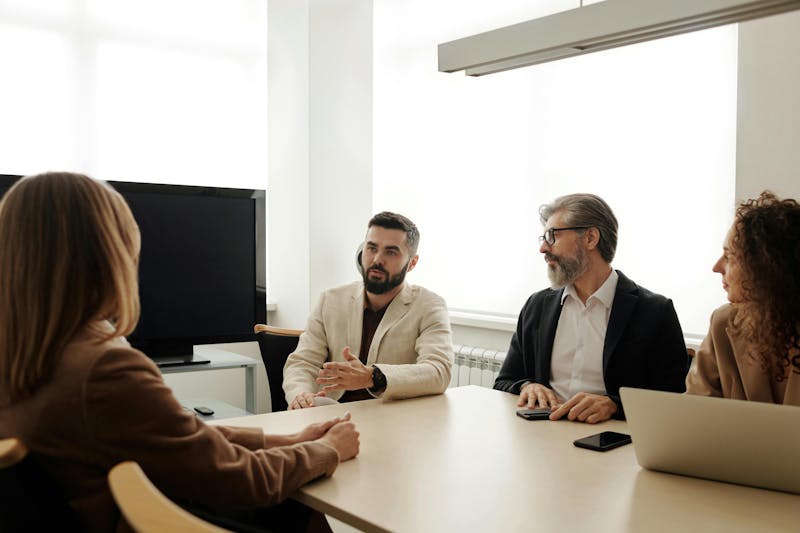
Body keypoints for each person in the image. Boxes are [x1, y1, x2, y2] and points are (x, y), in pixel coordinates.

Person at [0, 172, 360, 533]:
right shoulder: (104, 370)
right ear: (108, 254)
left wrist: (288, 439)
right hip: (149, 521)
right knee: (301, 502)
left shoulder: (27, 356)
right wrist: (327, 450)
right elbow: (238, 479)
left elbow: (184, 438)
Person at [494, 193, 687, 423]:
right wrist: (527, 386)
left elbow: (674, 400)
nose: (543, 248)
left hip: (613, 447)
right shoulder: (536, 306)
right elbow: (504, 381)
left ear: (590, 238)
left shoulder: (654, 312)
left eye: (552, 236)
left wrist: (615, 405)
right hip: (542, 437)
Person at [283, 212, 453, 409]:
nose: (376, 260)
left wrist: (374, 377)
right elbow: (302, 363)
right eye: (371, 248)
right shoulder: (330, 300)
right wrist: (301, 394)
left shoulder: (430, 306)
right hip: (331, 415)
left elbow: (439, 371)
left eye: (390, 252)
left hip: (393, 422)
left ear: (412, 263)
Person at [687, 192, 800, 404]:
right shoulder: (723, 324)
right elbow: (695, 411)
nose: (716, 267)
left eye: (729, 257)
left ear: (767, 267)